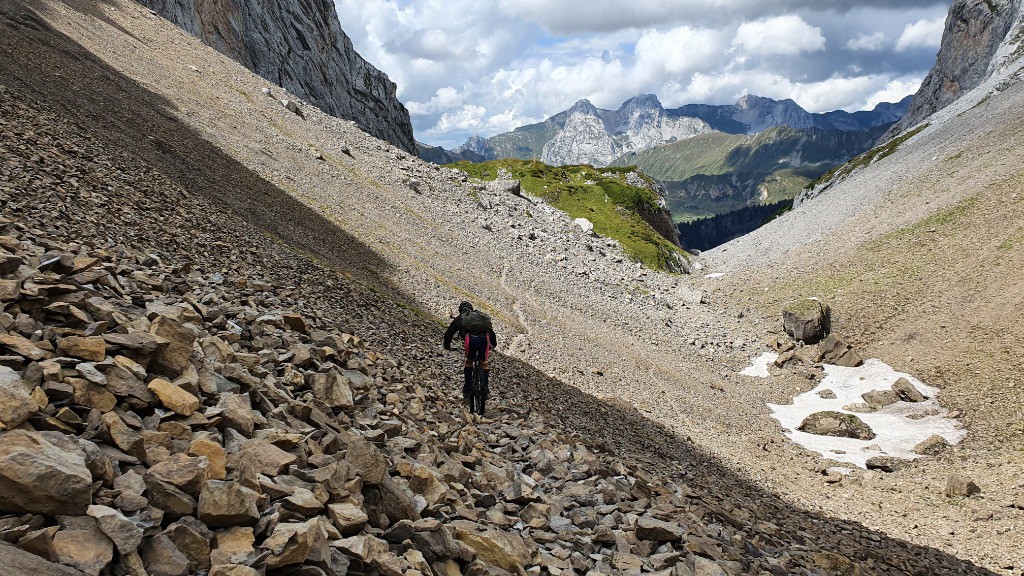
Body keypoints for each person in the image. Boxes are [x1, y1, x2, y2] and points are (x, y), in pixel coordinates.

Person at [443, 301, 497, 413]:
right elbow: (491, 332)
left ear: (460, 310)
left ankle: (467, 389)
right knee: (484, 362)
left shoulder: (462, 318)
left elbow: (449, 333)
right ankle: (485, 389)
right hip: (484, 340)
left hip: (471, 340)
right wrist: (493, 345)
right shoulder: (480, 317)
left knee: (469, 361)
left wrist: (447, 346)